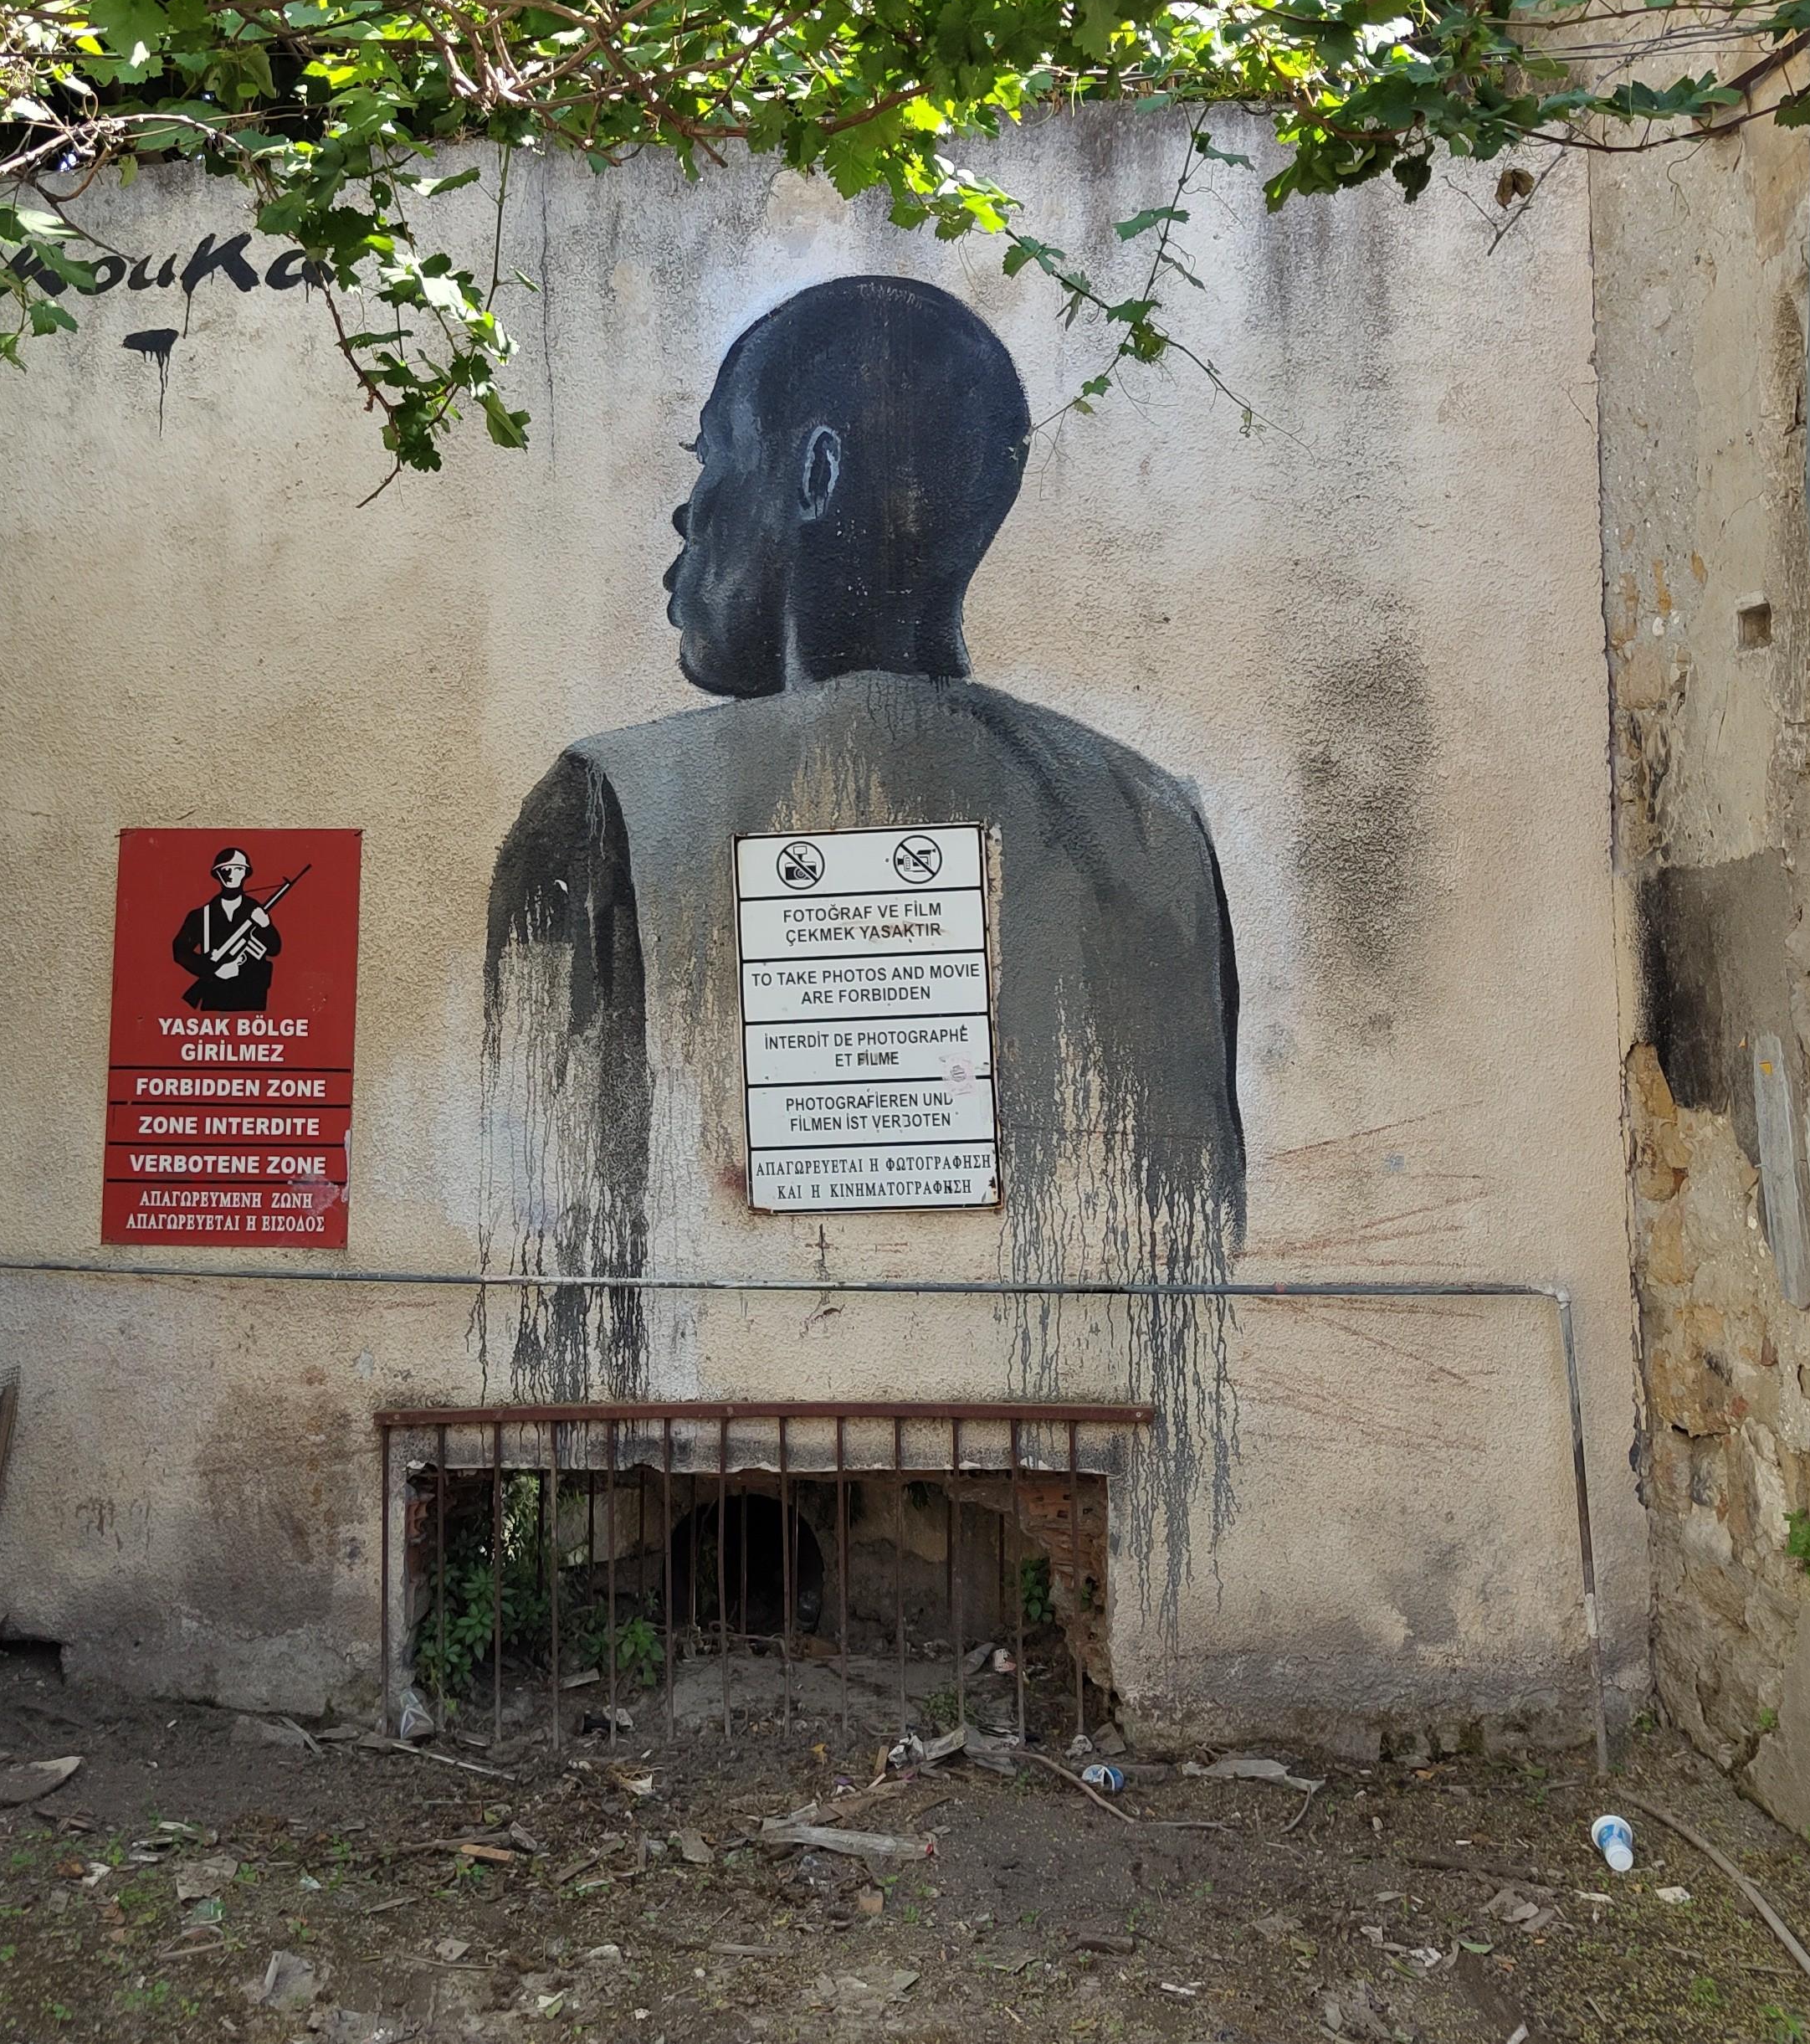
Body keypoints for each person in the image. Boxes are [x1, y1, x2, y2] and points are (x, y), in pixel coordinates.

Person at [484, 275, 1243, 1430]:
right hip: (1110, 1424)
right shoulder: (1153, 821)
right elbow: (1196, 1229)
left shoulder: (612, 803)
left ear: (817, 475)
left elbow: (559, 1274)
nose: (685, 517)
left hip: (713, 1438)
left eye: (709, 460)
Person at [172, 846, 281, 1014]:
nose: (231, 874)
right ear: (218, 874)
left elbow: (274, 949)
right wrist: (213, 970)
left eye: (238, 869)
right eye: (226, 870)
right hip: (215, 999)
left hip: (252, 1000)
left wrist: (266, 925)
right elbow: (180, 951)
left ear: (245, 873)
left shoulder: (256, 911)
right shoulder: (202, 915)